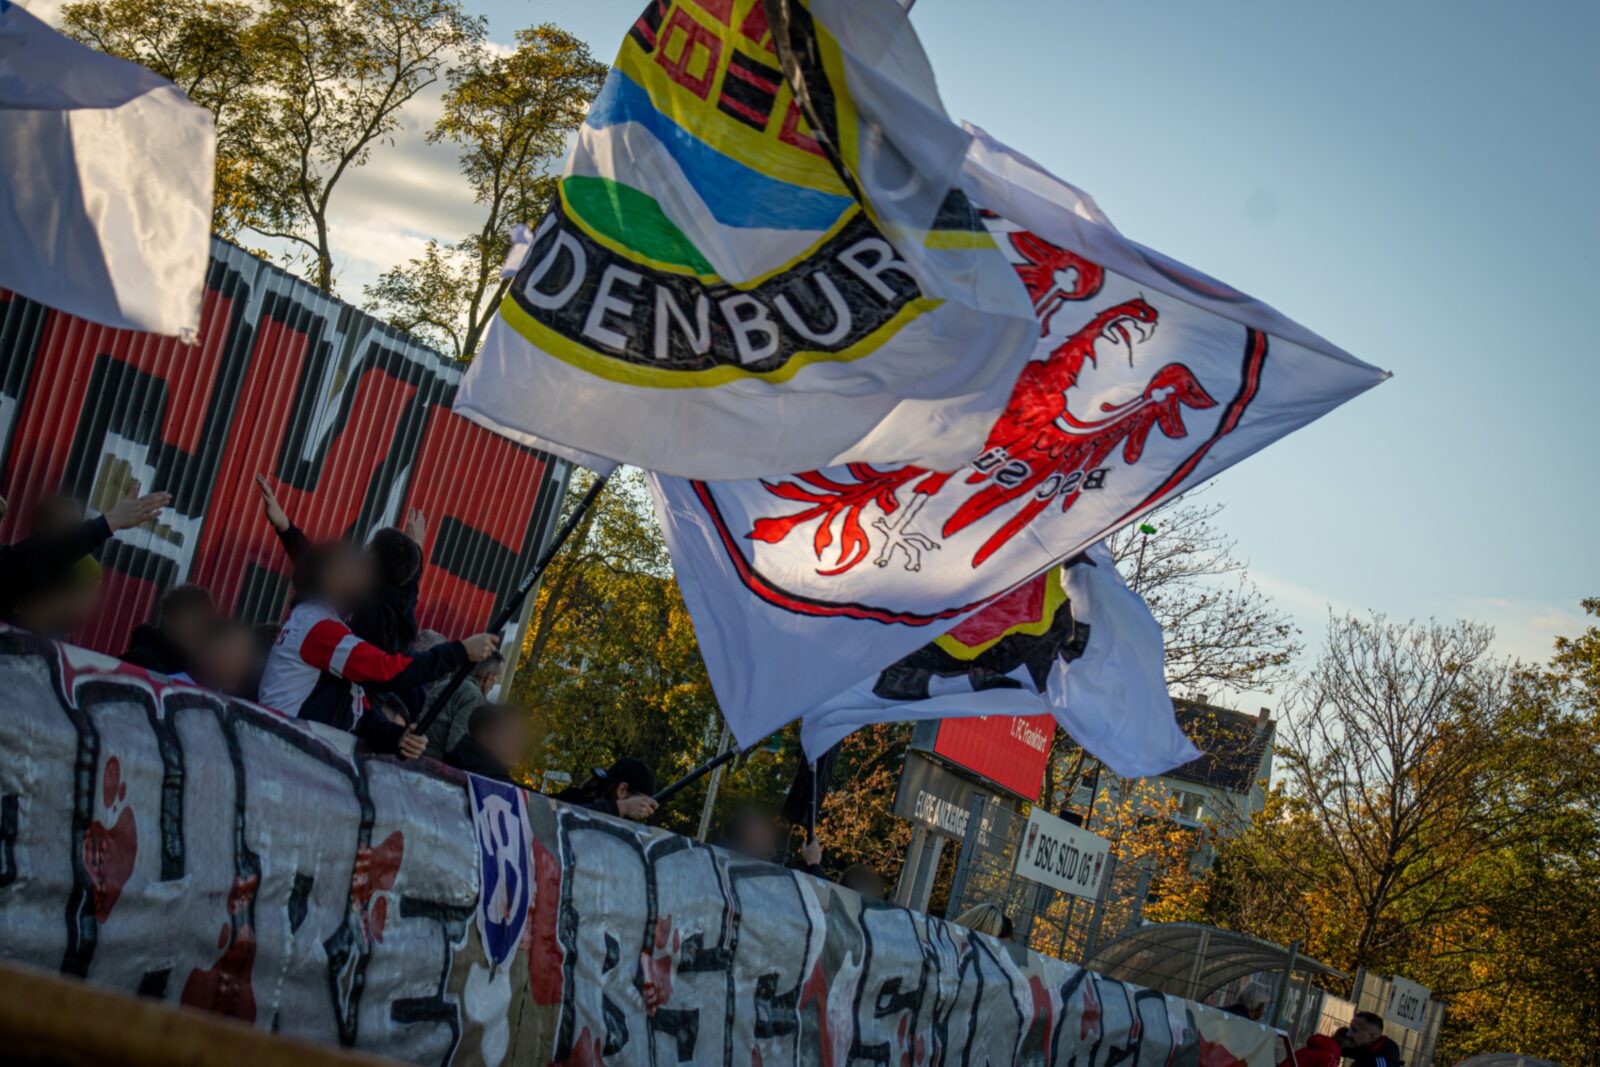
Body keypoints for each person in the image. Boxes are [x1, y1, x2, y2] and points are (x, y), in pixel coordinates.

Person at [258, 539, 498, 757]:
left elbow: (357, 716)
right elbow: (387, 671)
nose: (362, 576)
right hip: (285, 754)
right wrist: (460, 652)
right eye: (351, 568)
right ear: (328, 578)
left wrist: (398, 738)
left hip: (294, 756)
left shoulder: (320, 624)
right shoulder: (317, 626)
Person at [256, 476, 428, 708]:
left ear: (369, 560)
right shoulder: (398, 617)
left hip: (331, 714)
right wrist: (414, 558)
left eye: (366, 550)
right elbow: (320, 569)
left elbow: (319, 570)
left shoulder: (364, 603)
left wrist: (284, 527)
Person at [1, 489, 169, 627]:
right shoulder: (22, 564)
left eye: (74, 527)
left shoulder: (85, 568)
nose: (68, 536)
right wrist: (107, 523)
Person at [420, 649, 504, 759]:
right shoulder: (473, 696)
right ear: (488, 676)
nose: (493, 685)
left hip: (418, 755)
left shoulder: (444, 684)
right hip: (436, 765)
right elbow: (457, 743)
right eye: (496, 677)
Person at [121, 583, 217, 678]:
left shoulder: (197, 673)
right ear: (169, 619)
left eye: (204, 621)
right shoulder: (138, 661)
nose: (198, 628)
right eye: (192, 619)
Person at [445, 702, 528, 784]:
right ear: (487, 735)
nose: (520, 744)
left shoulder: (460, 760)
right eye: (512, 734)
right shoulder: (492, 782)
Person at [554, 758, 659, 821]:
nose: (641, 813)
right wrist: (623, 807)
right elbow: (559, 818)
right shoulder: (570, 801)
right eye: (640, 804)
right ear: (622, 790)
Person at [189, 617, 264, 698]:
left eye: (246, 652)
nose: (238, 660)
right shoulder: (180, 684)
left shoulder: (253, 694)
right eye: (231, 650)